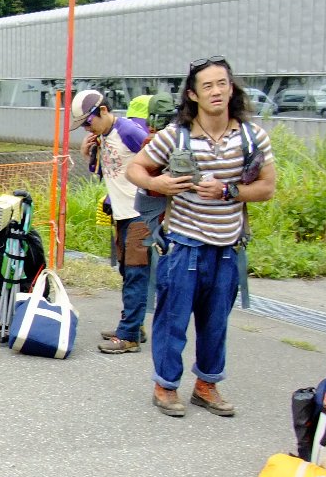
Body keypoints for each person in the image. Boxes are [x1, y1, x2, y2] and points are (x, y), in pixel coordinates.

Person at [126, 57, 277, 417]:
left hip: (228, 247)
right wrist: (156, 182)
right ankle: (165, 387)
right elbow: (135, 168)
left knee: (216, 324)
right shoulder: (175, 136)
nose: (216, 91)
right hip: (183, 245)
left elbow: (267, 188)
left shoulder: (251, 137)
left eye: (222, 83)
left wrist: (229, 191)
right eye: (207, 86)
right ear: (193, 94)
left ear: (232, 88)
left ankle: (206, 386)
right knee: (171, 320)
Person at [74, 89, 151, 354]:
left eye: (88, 121)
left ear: (103, 111)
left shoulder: (129, 131)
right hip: (121, 213)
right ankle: (134, 326)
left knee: (136, 274)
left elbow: (157, 158)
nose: (86, 127)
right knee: (127, 272)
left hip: (140, 213)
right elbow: (108, 169)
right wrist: (87, 155)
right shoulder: (103, 136)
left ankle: (129, 336)